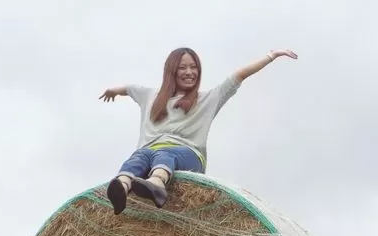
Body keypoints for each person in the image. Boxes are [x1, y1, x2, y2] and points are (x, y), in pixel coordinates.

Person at [99, 47, 298, 214]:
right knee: (137, 158)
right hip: (148, 151)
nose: (189, 72)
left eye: (194, 67)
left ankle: (157, 184)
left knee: (165, 154)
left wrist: (271, 56)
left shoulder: (207, 99)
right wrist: (113, 91)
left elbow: (239, 75)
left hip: (189, 155)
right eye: (183, 67)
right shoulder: (151, 96)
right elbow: (129, 88)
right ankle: (121, 187)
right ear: (171, 71)